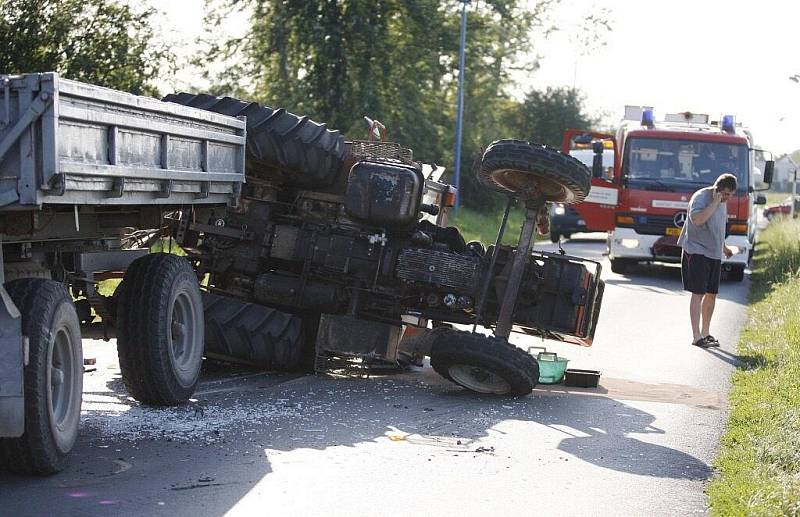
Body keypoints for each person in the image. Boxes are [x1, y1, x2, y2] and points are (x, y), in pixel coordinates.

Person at [676, 173, 737, 348]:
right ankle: (696, 336)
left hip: (714, 253)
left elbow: (718, 228)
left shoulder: (723, 202)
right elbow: (697, 220)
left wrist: (724, 248)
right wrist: (715, 203)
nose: (728, 198)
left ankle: (706, 333)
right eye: (726, 194)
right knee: (698, 293)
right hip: (696, 251)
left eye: (731, 195)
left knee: (712, 293)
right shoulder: (702, 198)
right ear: (717, 189)